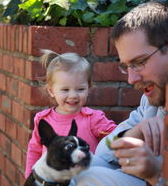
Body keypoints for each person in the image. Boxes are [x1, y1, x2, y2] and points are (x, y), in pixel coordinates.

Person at [71, 1, 168, 186]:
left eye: (139, 62)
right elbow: (104, 152)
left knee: (91, 182)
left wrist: (155, 173)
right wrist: (136, 131)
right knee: (77, 166)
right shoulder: (151, 101)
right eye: (126, 66)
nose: (131, 78)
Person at [25, 50, 117, 178]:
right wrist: (31, 176)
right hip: (53, 185)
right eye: (65, 90)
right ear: (51, 91)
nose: (73, 95)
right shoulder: (43, 119)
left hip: (86, 182)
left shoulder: (93, 119)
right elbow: (34, 150)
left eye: (80, 89)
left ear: (89, 89)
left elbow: (115, 136)